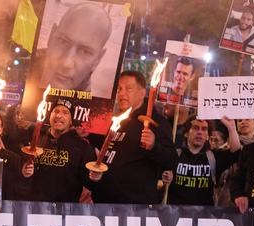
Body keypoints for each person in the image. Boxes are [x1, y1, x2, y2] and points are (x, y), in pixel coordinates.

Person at [91, 70, 178, 204]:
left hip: (135, 206)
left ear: (142, 93)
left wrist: (154, 146)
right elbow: (104, 147)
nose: (122, 93)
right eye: (119, 89)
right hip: (104, 202)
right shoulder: (115, 119)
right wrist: (88, 134)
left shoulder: (155, 122)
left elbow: (171, 160)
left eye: (128, 89)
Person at [21, 98, 100, 202]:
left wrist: (95, 178)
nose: (59, 115)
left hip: (65, 210)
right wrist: (24, 171)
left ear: (71, 120)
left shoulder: (82, 147)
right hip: (36, 208)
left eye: (65, 112)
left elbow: (90, 183)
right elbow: (22, 171)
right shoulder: (36, 140)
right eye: (56, 111)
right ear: (50, 116)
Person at [162, 116, 241, 206]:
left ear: (207, 136)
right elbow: (161, 176)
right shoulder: (174, 155)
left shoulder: (213, 157)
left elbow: (236, 152)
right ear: (186, 133)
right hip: (176, 214)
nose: (200, 132)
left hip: (204, 216)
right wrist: (165, 177)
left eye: (204, 129)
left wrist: (232, 128)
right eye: (195, 128)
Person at [40, 2, 112, 93]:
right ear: (51, 36)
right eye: (63, 42)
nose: (66, 63)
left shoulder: (93, 105)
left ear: (97, 60)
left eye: (85, 52)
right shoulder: (26, 64)